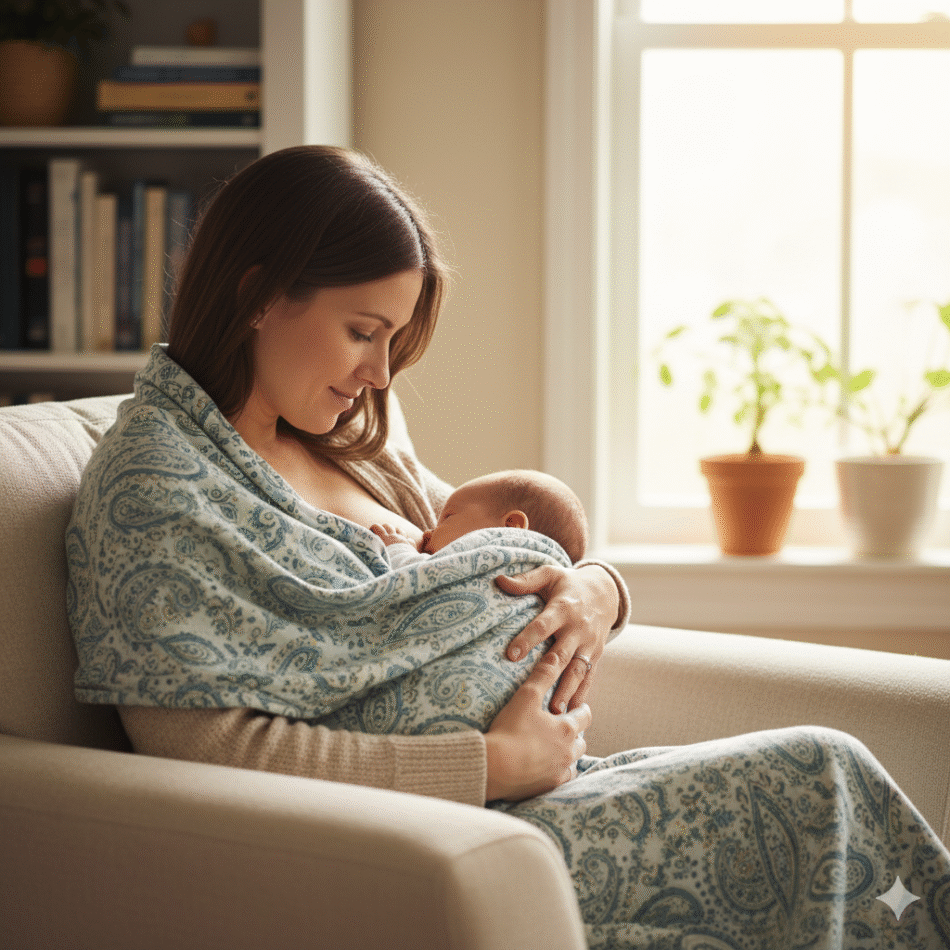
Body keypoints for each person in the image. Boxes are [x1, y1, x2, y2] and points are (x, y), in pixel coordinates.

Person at [65, 145, 950, 949]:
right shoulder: (155, 490)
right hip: (448, 835)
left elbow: (509, 537)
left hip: (541, 796)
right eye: (363, 332)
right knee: (816, 778)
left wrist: (598, 590)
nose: (380, 374)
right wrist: (488, 765)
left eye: (392, 341)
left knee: (826, 769)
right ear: (259, 294)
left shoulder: (351, 445)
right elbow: (204, 754)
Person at [369, 468, 589, 568]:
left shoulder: (489, 564)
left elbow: (420, 580)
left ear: (512, 527)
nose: (427, 532)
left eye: (447, 517)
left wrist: (397, 549)